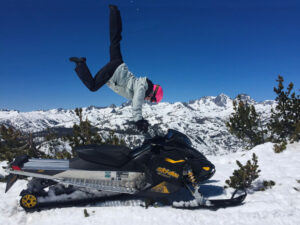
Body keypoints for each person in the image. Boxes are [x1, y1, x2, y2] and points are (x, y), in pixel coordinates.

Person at [69, 5, 163, 133]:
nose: (149, 101)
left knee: (115, 39)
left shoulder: (142, 84)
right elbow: (137, 103)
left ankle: (114, 12)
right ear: (153, 92)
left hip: (119, 64)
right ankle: (80, 64)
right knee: (92, 86)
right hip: (114, 73)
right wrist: (138, 120)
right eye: (152, 100)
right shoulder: (143, 88)